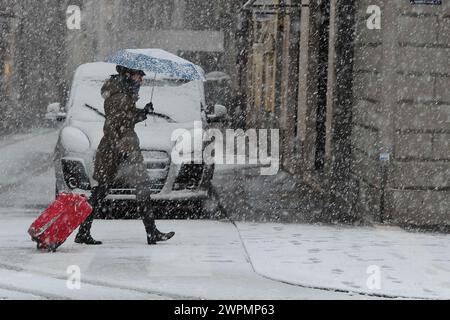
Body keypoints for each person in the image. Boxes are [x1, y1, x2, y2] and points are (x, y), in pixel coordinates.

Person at [74, 65, 175, 245]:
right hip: (119, 149)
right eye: (139, 76)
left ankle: (84, 231)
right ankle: (151, 233)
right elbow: (114, 125)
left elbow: (124, 119)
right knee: (132, 188)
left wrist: (142, 113)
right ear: (128, 75)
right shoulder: (121, 96)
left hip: (118, 148)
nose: (141, 81)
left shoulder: (122, 94)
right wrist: (121, 149)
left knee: (107, 190)